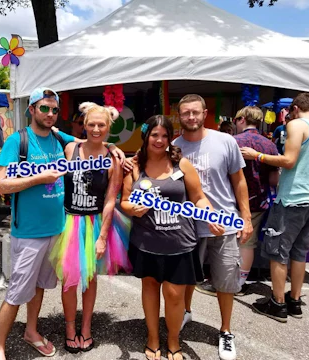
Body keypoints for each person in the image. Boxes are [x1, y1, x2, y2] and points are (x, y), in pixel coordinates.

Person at [0, 87, 127, 360]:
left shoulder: (57, 137)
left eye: (54, 109)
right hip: (28, 231)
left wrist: (112, 146)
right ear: (31, 109)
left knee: (39, 286)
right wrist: (38, 179)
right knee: (18, 290)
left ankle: (31, 331)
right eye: (44, 108)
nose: (50, 114)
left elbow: (90, 138)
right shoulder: (17, 141)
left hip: (58, 229)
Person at [120, 115, 225, 360]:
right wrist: (131, 209)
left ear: (170, 138)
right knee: (149, 288)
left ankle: (174, 341)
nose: (159, 140)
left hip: (180, 243)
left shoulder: (182, 165)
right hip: (146, 242)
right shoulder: (134, 166)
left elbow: (199, 197)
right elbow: (123, 200)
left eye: (165, 135)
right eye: (154, 135)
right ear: (146, 136)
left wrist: (210, 215)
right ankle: (153, 337)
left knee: (175, 295)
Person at [172, 94, 252, 360]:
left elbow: (239, 181)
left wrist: (246, 218)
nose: (191, 117)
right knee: (185, 280)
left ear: (205, 113)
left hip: (224, 224)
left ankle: (226, 330)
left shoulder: (225, 141)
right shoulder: (173, 146)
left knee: (225, 282)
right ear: (179, 116)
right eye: (185, 113)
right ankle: (185, 313)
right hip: (187, 226)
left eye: (195, 112)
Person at [49, 102, 132, 354]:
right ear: (84, 125)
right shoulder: (70, 148)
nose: (96, 129)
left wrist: (103, 236)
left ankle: (86, 327)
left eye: (102, 125)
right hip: (68, 222)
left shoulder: (113, 159)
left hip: (95, 222)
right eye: (92, 124)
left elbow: (110, 200)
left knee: (90, 278)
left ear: (109, 128)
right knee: (68, 280)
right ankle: (69, 328)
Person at [240, 92, 309, 323]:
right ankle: (295, 300)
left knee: (278, 252)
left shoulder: (297, 125)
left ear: (293, 108)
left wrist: (257, 156)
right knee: (299, 252)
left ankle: (278, 303)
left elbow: (289, 160)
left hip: (292, 197)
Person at [232, 106, 279, 295]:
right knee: (247, 243)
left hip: (232, 200)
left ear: (241, 119)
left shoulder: (232, 142)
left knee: (228, 243)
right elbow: (274, 180)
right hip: (258, 201)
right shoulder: (270, 145)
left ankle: (226, 280)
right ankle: (240, 283)